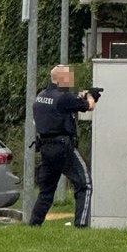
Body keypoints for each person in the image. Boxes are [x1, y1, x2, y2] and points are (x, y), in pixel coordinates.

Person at [28, 65, 96, 228]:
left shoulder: (41, 96)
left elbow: (65, 105)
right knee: (84, 184)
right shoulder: (63, 97)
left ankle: (34, 224)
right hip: (63, 147)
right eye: (69, 76)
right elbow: (89, 106)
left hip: (45, 147)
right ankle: (80, 225)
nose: (71, 79)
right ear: (60, 79)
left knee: (46, 191)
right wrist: (91, 95)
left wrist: (80, 97)